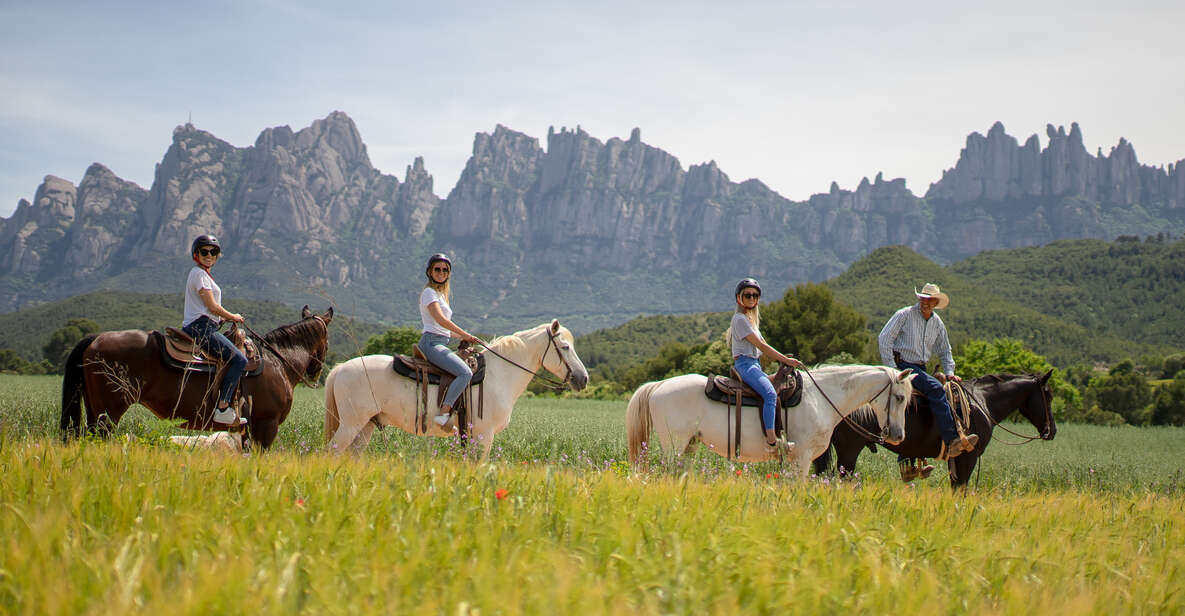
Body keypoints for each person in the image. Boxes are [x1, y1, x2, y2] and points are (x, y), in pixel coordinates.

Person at [878, 283, 979, 476]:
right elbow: (884, 338)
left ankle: (909, 462)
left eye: (930, 300)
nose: (926, 303)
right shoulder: (904, 315)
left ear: (935, 302)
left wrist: (950, 372)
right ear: (919, 299)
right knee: (937, 390)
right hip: (903, 366)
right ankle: (951, 440)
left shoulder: (937, 323)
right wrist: (892, 369)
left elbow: (944, 350)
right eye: (923, 299)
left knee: (924, 402)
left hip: (920, 368)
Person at [729, 278, 804, 453]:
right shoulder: (739, 320)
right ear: (739, 298)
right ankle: (771, 441)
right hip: (746, 365)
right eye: (747, 295)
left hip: (754, 365)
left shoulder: (751, 321)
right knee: (770, 394)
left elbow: (764, 346)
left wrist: (783, 360)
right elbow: (762, 347)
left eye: (755, 295)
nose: (751, 298)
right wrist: (786, 361)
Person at [182, 234, 247, 425]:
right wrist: (233, 317)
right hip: (201, 328)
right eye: (204, 252)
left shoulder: (203, 275)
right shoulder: (199, 274)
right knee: (239, 360)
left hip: (207, 326)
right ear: (196, 254)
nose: (209, 255)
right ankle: (223, 408)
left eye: (214, 252)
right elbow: (211, 306)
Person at [418, 253, 480, 427]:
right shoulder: (429, 293)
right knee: (465, 373)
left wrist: (464, 337)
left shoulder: (440, 295)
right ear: (430, 272)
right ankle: (443, 415)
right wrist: (465, 334)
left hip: (440, 341)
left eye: (445, 270)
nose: (441, 272)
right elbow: (441, 321)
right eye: (437, 269)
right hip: (431, 343)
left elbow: (443, 328)